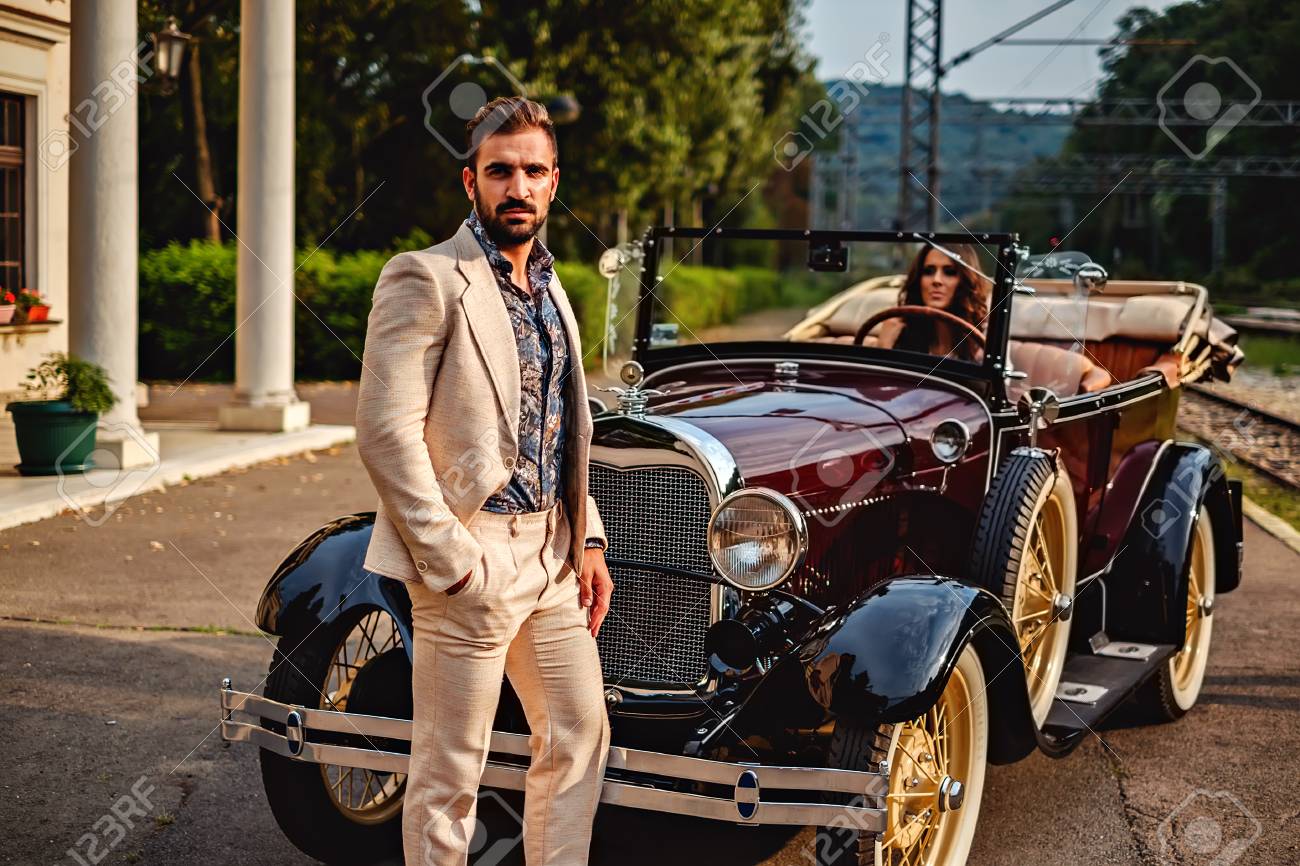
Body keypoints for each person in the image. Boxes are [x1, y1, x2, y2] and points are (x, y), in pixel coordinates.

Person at [354, 96, 613, 866]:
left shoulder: (554, 290)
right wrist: (452, 561)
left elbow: (559, 430)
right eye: (501, 171)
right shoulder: (426, 277)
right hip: (472, 557)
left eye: (534, 171)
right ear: (471, 181)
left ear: (554, 182)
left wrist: (588, 537)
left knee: (577, 735)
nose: (518, 186)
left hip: (553, 561)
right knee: (448, 774)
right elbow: (385, 432)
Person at [873, 243, 990, 362]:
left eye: (949, 272)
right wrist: (884, 346)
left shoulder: (984, 338)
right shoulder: (903, 332)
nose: (936, 280)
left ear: (965, 280)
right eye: (928, 271)